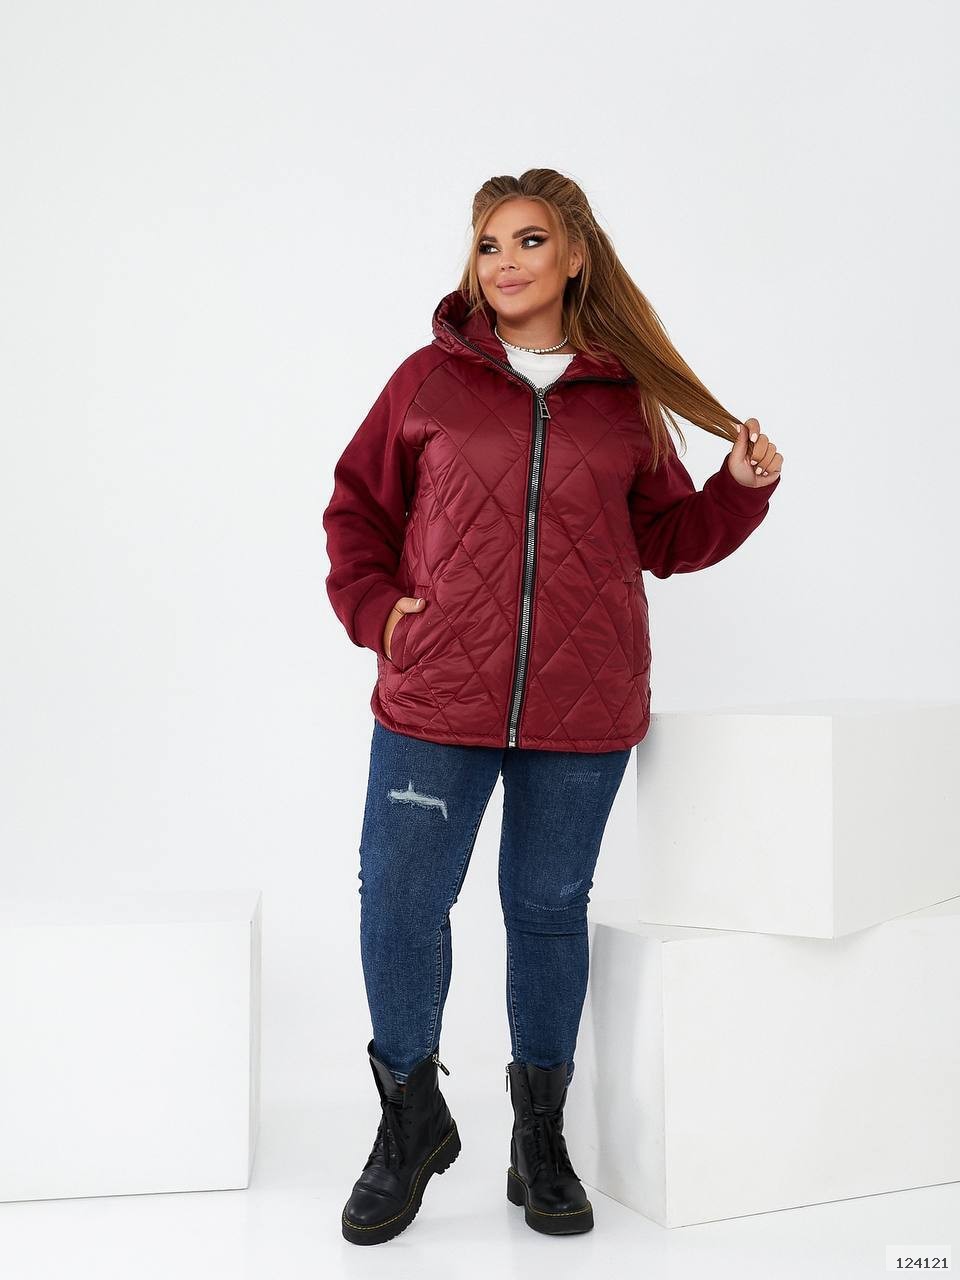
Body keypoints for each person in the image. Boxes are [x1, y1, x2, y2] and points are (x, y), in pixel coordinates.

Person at [323, 168, 783, 1245]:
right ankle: (410, 1119)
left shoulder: (624, 401)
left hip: (583, 705)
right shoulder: (427, 382)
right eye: (490, 245)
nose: (507, 263)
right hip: (436, 697)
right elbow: (356, 510)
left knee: (545, 909)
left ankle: (540, 1136)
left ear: (575, 256)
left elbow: (663, 540)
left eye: (530, 241)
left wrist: (738, 492)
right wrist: (381, 614)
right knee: (399, 901)